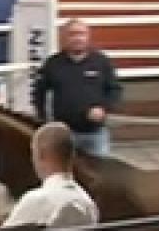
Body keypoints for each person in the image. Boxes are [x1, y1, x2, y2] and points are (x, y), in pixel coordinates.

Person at [30, 19, 122, 158]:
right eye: (72, 34)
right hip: (63, 135)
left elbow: (115, 90)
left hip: (95, 134)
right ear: (64, 37)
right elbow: (39, 93)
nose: (77, 38)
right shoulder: (53, 63)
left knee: (99, 170)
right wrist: (42, 120)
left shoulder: (101, 61)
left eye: (81, 34)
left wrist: (103, 108)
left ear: (88, 36)